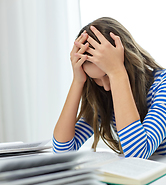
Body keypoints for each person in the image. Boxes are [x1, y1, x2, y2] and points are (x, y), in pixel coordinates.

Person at [53, 17, 166, 159]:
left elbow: (137, 154)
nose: (106, 87)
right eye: (95, 79)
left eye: (107, 74)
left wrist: (117, 73)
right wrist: (77, 81)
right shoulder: (106, 97)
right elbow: (62, 151)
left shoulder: (162, 85)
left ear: (126, 61)